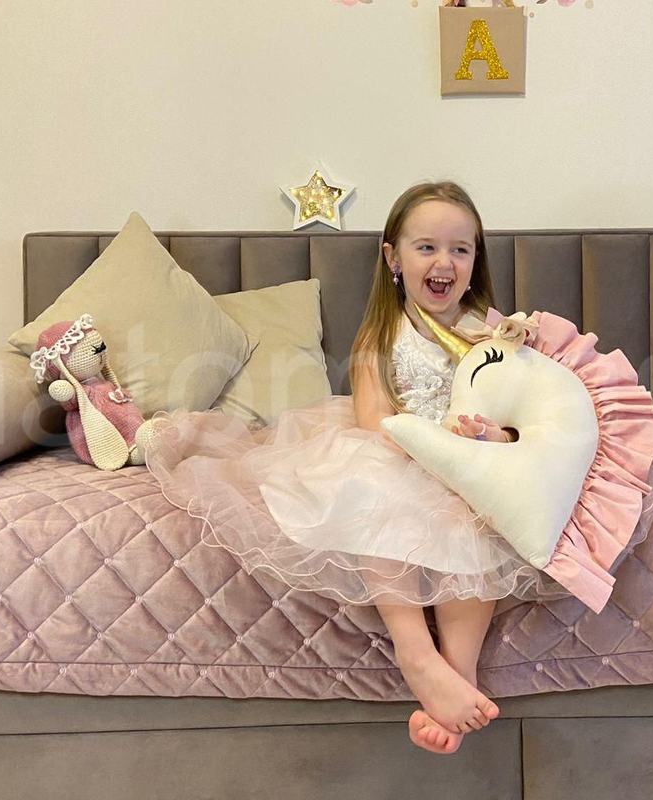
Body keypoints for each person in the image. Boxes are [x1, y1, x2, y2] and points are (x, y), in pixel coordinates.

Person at [145, 181, 572, 756]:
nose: (444, 262)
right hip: (399, 452)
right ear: (393, 257)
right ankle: (416, 653)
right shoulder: (382, 333)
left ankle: (457, 675)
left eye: (460, 249)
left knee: (476, 522)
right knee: (371, 487)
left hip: (471, 464)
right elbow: (374, 422)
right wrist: (436, 444)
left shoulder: (491, 335)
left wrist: (494, 437)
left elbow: (521, 413)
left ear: (476, 261)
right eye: (426, 247)